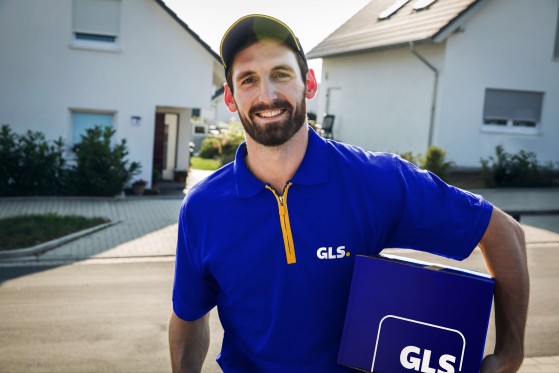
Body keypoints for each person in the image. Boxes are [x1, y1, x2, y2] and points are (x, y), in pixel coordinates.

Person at [169, 14, 529, 373]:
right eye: (249, 80)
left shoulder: (376, 179)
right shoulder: (203, 208)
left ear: (309, 83)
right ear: (230, 97)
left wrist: (510, 355)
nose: (268, 95)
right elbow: (188, 315)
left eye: (281, 74)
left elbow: (503, 232)